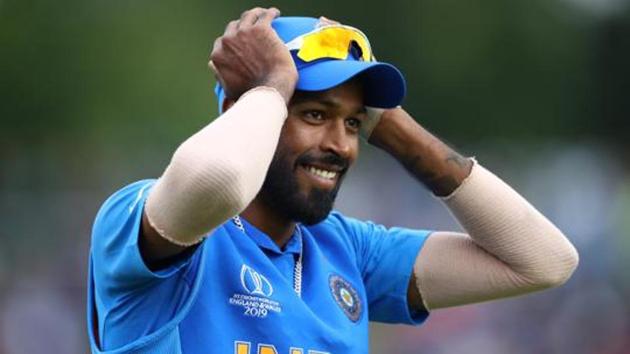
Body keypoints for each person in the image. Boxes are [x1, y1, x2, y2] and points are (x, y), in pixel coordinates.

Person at [87, 8, 579, 354]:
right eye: (315, 113)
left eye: (353, 123)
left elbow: (543, 261)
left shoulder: (343, 249)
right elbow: (219, 179)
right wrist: (274, 85)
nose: (341, 145)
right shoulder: (138, 219)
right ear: (246, 111)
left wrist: (401, 134)